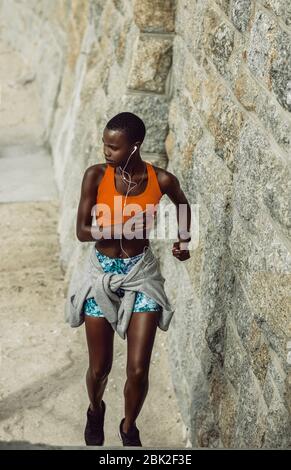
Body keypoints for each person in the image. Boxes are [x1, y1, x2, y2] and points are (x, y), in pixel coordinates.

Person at [76, 111, 191, 446]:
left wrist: (183, 242)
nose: (105, 151)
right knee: (100, 368)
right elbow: (82, 231)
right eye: (104, 144)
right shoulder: (95, 176)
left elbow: (183, 209)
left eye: (113, 147)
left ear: (135, 146)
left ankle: (129, 427)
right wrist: (120, 227)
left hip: (141, 274)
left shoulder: (163, 181)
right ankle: (95, 409)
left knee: (138, 369)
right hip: (102, 275)